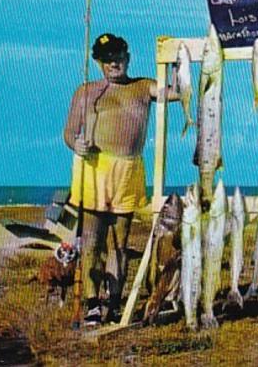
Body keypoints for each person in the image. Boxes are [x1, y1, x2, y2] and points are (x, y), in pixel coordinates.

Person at [64, 33, 179, 326]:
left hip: (128, 171)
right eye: (107, 59)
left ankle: (113, 303)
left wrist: (180, 62)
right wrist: (76, 144)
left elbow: (175, 93)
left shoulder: (143, 86)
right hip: (93, 169)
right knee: (91, 241)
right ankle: (92, 303)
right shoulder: (86, 91)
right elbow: (69, 132)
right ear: (99, 63)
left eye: (118, 56)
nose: (114, 63)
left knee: (120, 243)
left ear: (128, 57)